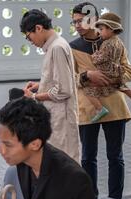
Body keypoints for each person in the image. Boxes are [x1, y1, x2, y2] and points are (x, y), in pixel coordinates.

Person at [70, 2, 131, 199]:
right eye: (74, 22)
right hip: (89, 109)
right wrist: (87, 75)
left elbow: (129, 72)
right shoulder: (72, 47)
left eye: (81, 21)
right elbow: (67, 79)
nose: (77, 25)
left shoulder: (115, 42)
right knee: (88, 158)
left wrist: (112, 75)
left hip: (115, 107)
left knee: (116, 158)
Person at [21, 9, 81, 164]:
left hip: (62, 120)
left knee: (63, 168)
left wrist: (34, 96)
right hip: (56, 117)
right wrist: (41, 84)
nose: (31, 42)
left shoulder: (57, 48)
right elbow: (60, 80)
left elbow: (63, 90)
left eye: (29, 37)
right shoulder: (55, 45)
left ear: (39, 28)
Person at [84, 12, 131, 123]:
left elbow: (102, 58)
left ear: (111, 29)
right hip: (117, 71)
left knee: (86, 87)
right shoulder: (119, 42)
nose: (99, 32)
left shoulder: (107, 43)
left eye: (102, 29)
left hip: (107, 72)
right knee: (123, 87)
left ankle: (100, 109)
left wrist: (94, 56)